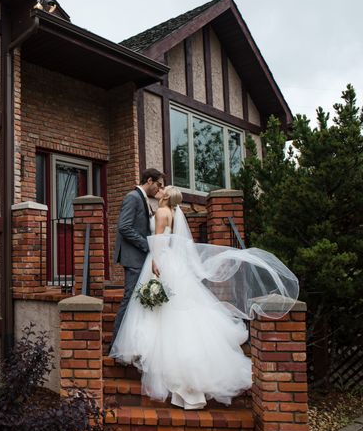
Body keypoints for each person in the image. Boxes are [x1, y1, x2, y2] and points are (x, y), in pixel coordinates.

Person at [110, 186, 299, 409]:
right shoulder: (172, 211)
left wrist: (154, 263)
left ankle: (164, 363)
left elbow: (159, 241)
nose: (159, 190)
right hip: (174, 263)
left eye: (163, 189)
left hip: (160, 260)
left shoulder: (162, 212)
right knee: (176, 307)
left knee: (160, 307)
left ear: (167, 196)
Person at [111, 168, 165, 346]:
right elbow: (124, 227)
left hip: (140, 257)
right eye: (158, 184)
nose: (159, 188)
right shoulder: (132, 197)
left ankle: (131, 341)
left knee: (135, 300)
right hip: (133, 257)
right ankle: (116, 344)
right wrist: (147, 245)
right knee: (129, 299)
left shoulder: (144, 200)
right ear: (149, 181)